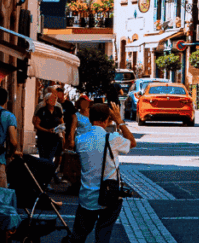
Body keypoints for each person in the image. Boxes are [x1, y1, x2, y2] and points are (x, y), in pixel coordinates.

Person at [71, 102, 136, 243]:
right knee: (103, 234)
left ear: (89, 119)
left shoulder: (80, 140)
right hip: (109, 196)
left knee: (78, 235)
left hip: (87, 195)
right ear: (107, 120)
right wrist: (120, 121)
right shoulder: (113, 138)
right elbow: (132, 142)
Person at [33, 92, 64, 161]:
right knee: (43, 158)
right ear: (46, 100)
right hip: (43, 139)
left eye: (54, 98)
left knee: (50, 158)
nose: (53, 100)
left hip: (54, 138)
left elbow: (62, 123)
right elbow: (36, 125)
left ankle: (48, 171)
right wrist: (47, 130)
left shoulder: (58, 110)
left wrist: (59, 131)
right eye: (51, 99)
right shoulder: (42, 110)